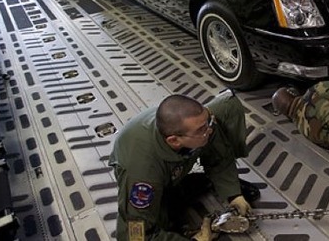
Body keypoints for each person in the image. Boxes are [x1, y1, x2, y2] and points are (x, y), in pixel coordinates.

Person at [109, 90, 260, 241]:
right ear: (174, 140)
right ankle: (172, 193)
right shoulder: (142, 175)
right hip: (149, 173)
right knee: (164, 220)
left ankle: (184, 185)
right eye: (202, 129)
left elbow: (219, 156)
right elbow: (135, 237)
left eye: (208, 121)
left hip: (173, 160)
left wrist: (233, 194)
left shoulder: (199, 127)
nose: (210, 129)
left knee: (218, 117)